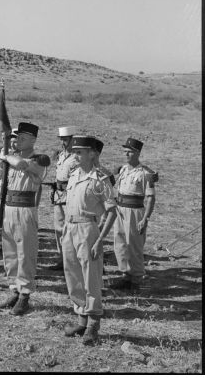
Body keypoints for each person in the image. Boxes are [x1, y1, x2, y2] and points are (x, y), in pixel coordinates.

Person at [62, 135, 117, 346]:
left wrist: (100, 239)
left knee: (90, 277)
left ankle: (93, 324)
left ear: (92, 154)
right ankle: (81, 320)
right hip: (70, 228)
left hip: (88, 229)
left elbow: (112, 210)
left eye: (80, 152)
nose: (75, 155)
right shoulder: (74, 175)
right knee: (73, 274)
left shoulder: (100, 179)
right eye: (74, 151)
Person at [0, 122, 49, 316]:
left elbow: (22, 165)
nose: (17, 141)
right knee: (10, 253)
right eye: (16, 137)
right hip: (9, 207)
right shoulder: (11, 158)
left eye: (22, 138)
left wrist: (7, 155)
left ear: (33, 140)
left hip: (25, 210)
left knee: (25, 253)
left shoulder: (40, 160)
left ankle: (25, 295)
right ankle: (14, 289)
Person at [112, 138, 157, 292]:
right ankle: (125, 275)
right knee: (120, 244)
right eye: (125, 151)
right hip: (120, 209)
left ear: (137, 153)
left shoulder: (145, 173)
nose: (126, 154)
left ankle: (136, 280)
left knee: (134, 245)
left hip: (135, 211)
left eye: (129, 151)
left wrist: (145, 218)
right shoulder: (123, 169)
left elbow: (150, 197)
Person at [50, 126, 80, 271]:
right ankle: (62, 258)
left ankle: (71, 260)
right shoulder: (61, 156)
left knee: (70, 229)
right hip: (58, 196)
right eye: (61, 139)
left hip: (70, 196)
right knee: (58, 228)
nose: (63, 142)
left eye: (65, 139)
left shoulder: (77, 157)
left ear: (72, 140)